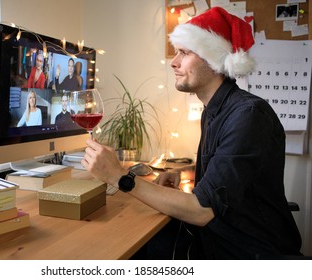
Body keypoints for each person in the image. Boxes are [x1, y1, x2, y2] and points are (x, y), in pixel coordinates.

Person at [81, 7, 302, 259]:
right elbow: (228, 179)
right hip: (217, 239)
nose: (173, 62)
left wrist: (120, 177)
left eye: (184, 53)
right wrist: (183, 176)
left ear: (214, 60)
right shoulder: (213, 110)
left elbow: (202, 210)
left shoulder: (248, 115)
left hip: (248, 253)